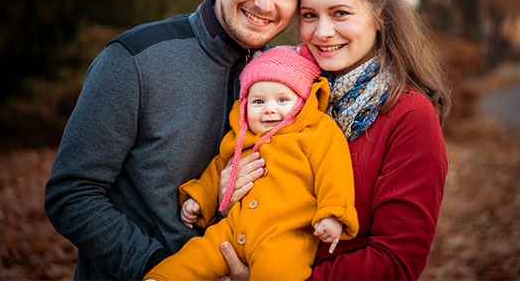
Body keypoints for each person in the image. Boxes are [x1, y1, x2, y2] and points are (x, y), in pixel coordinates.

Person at [44, 0, 312, 280]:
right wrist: (161, 269)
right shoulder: (135, 59)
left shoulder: (289, 82)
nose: (266, 4)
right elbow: (71, 195)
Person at [218, 0, 451, 280]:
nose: (322, 32)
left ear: (380, 16)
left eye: (340, 13)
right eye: (310, 15)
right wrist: (225, 188)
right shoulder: (286, 96)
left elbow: (397, 262)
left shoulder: (410, 116)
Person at [144, 45, 359, 281]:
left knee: (277, 272)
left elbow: (334, 173)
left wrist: (333, 214)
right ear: (244, 105)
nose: (269, 109)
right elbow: (218, 169)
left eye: (283, 99)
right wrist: (199, 198)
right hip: (232, 228)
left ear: (303, 102)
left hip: (283, 235)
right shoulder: (240, 138)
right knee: (194, 256)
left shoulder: (318, 132)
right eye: (258, 102)